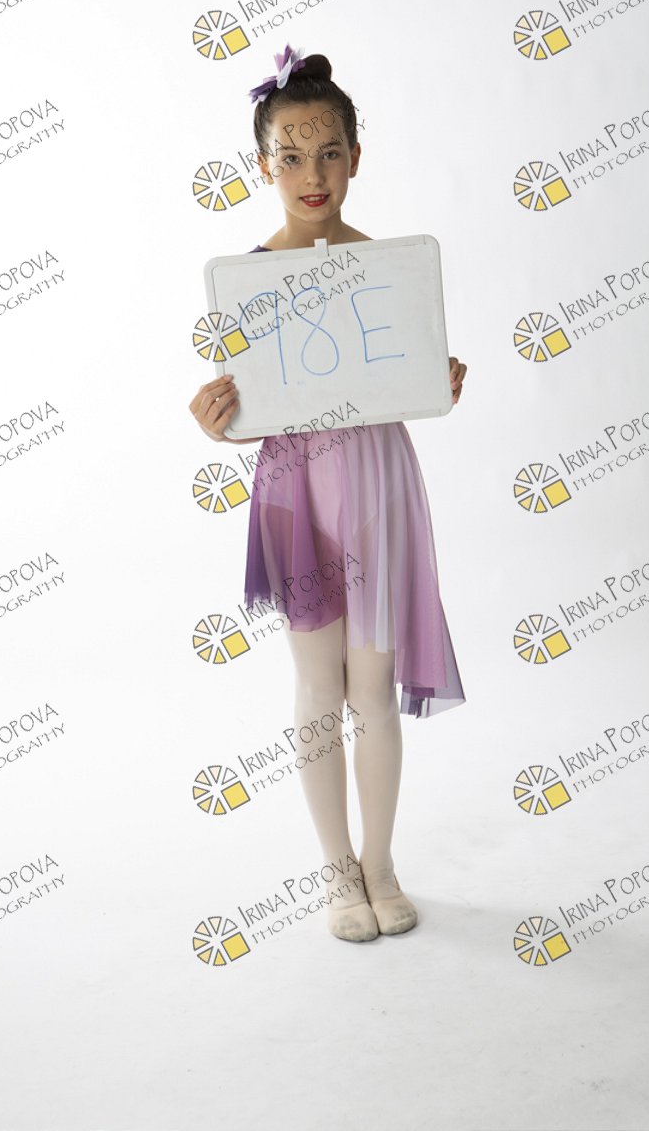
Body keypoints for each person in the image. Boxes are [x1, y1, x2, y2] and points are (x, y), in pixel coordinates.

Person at [189, 46, 467, 943]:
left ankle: (380, 861)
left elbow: (405, 377)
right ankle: (336, 867)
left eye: (330, 153)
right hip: (296, 489)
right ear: (263, 165)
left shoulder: (389, 269)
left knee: (372, 684)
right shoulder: (247, 281)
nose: (313, 174)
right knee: (317, 682)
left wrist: (437, 379)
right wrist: (217, 418)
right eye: (292, 156)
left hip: (376, 481)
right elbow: (248, 407)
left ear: (356, 156)